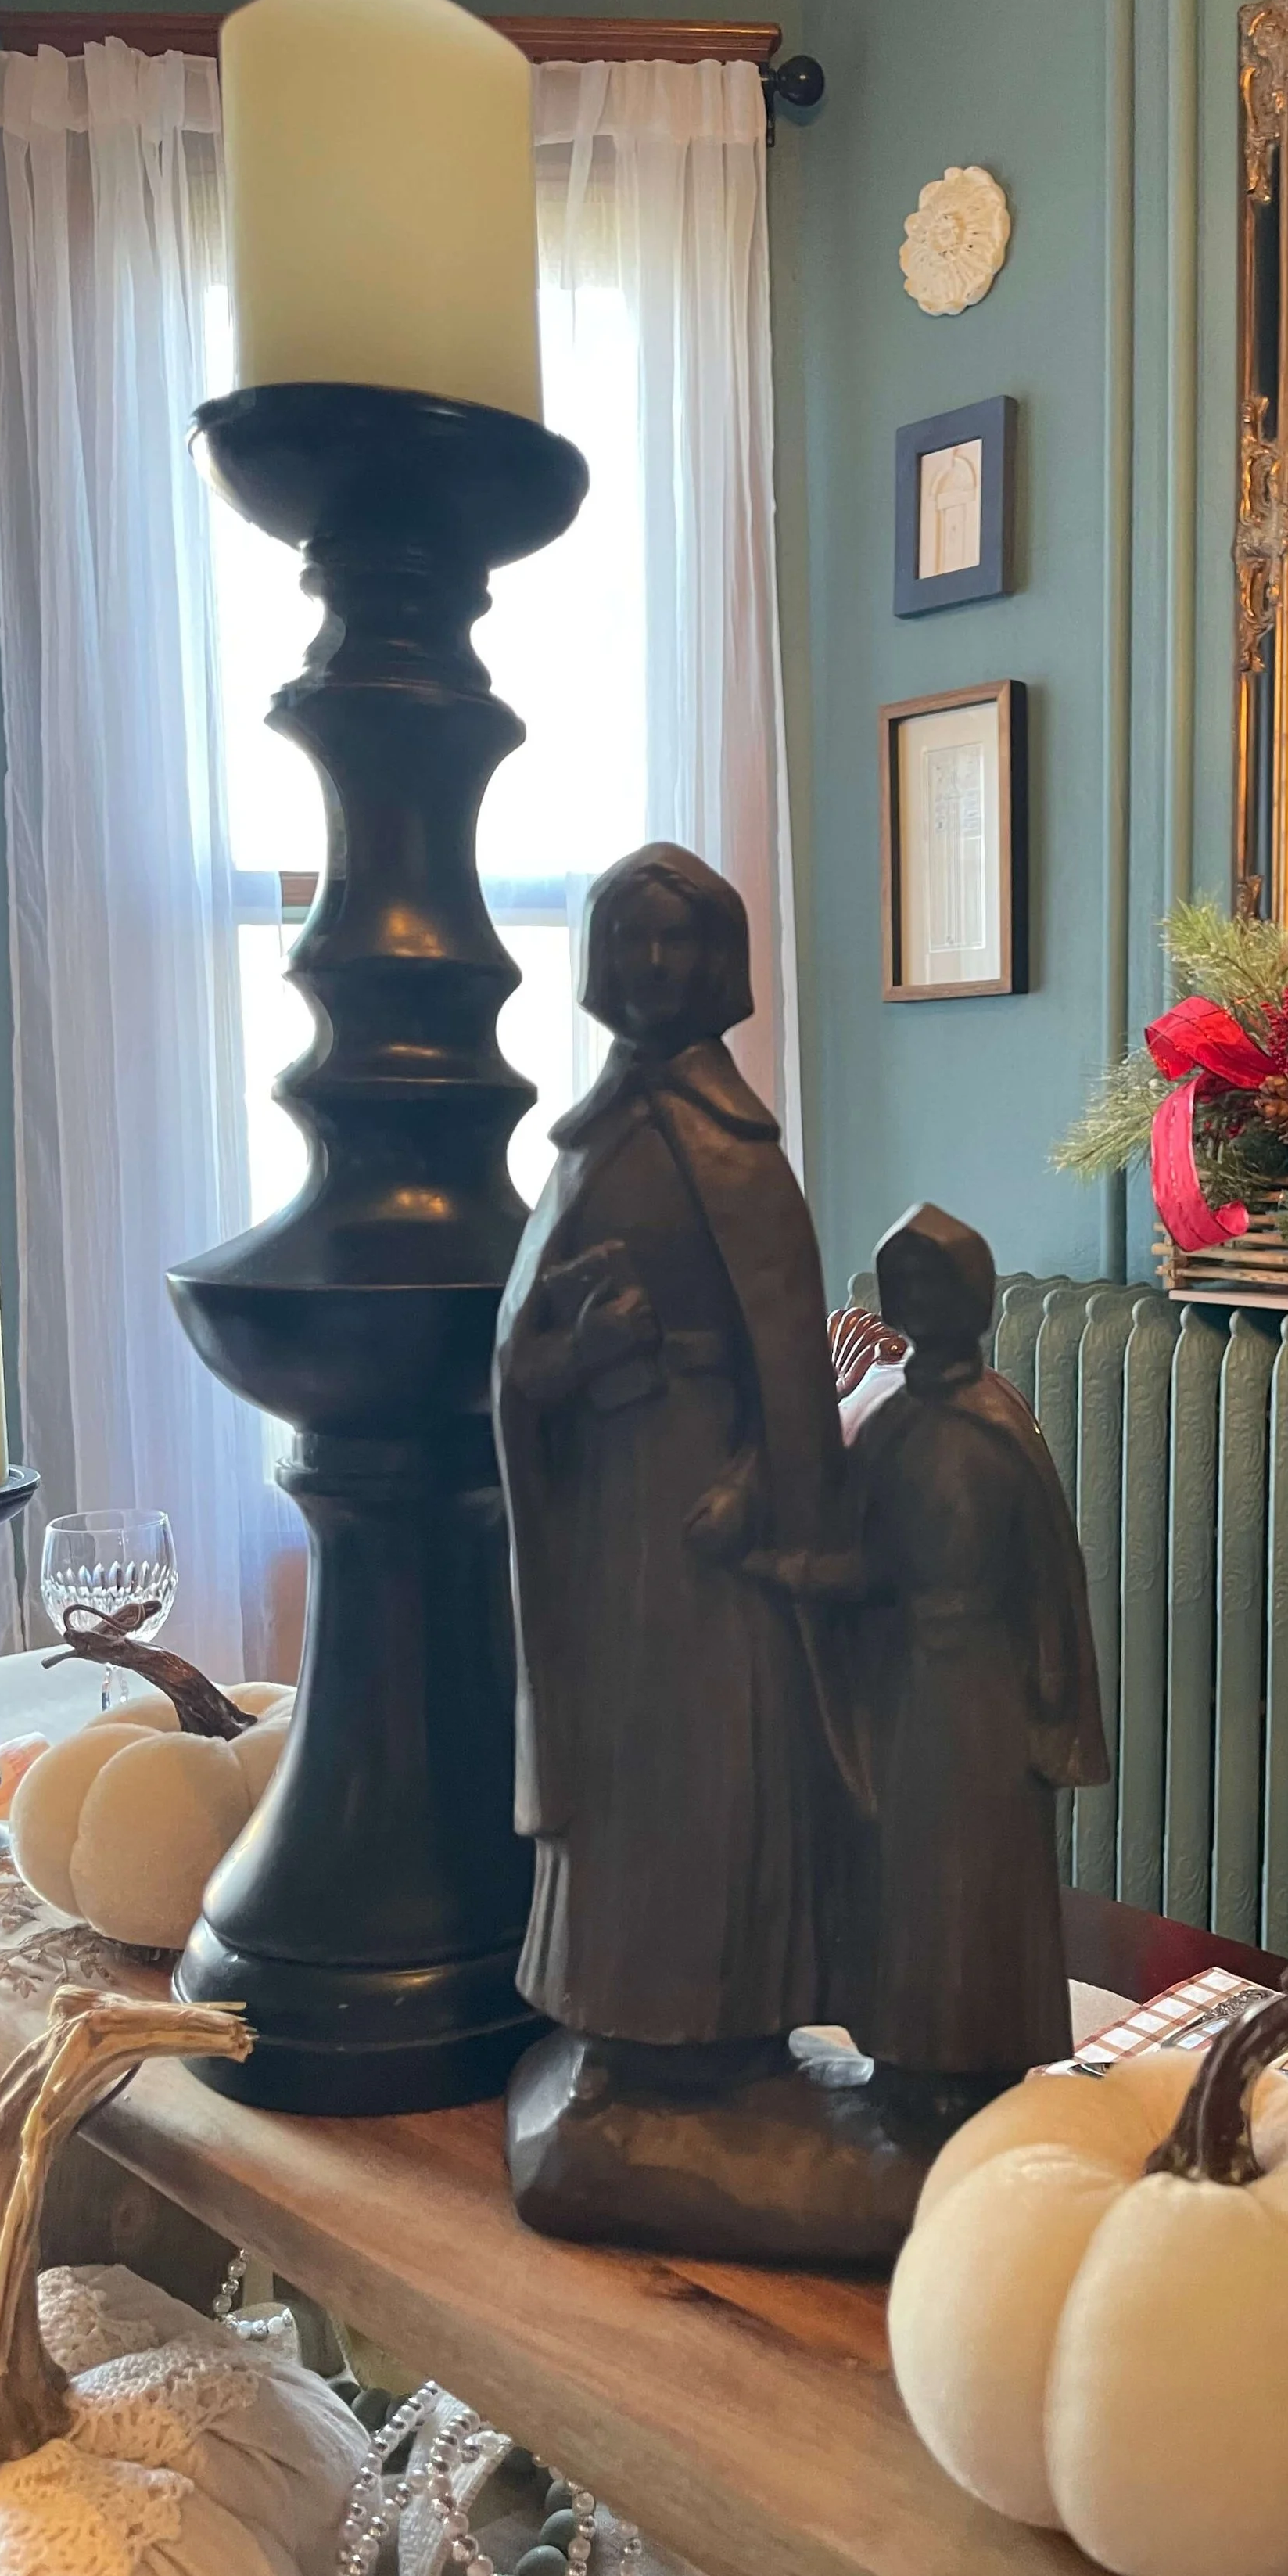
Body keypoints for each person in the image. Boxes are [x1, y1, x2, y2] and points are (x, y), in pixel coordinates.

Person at [493, 842, 862, 2053]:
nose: (657, 962)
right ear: (601, 957)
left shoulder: (743, 1155)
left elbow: (794, 1372)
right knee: (620, 1765)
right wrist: (585, 1352)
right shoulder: (588, 1146)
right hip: (606, 1514)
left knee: (718, 1768)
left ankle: (728, 2025)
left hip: (712, 1512)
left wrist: (764, 1486)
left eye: (683, 939)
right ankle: (619, 2019)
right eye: (636, 937)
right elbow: (516, 1367)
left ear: (722, 963)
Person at [845, 1203, 1109, 2084]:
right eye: (906, 1288)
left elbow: (1050, 1585)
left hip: (986, 1698)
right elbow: (851, 1550)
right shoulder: (885, 1423)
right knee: (909, 1877)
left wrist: (1057, 1717)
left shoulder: (998, 1427)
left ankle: (987, 2056)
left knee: (981, 1873)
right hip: (902, 1686)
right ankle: (909, 2057)